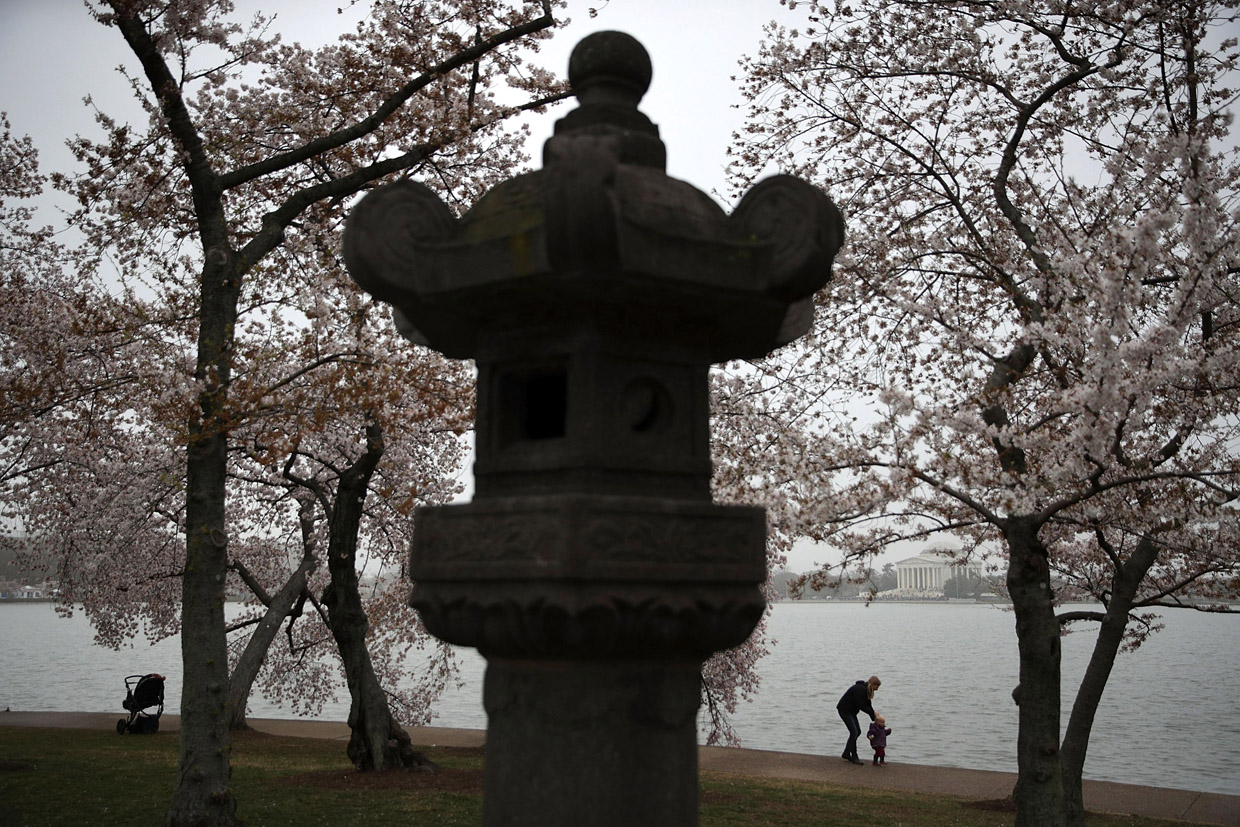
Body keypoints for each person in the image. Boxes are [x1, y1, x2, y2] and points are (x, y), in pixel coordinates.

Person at [836, 675, 881, 765]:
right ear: (873, 684)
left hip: (851, 712)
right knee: (854, 732)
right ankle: (853, 755)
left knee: (858, 731)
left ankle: (847, 753)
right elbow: (862, 705)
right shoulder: (860, 689)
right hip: (844, 710)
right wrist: (872, 714)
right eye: (877, 687)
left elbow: (868, 705)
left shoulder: (866, 690)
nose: (877, 689)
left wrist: (874, 717)